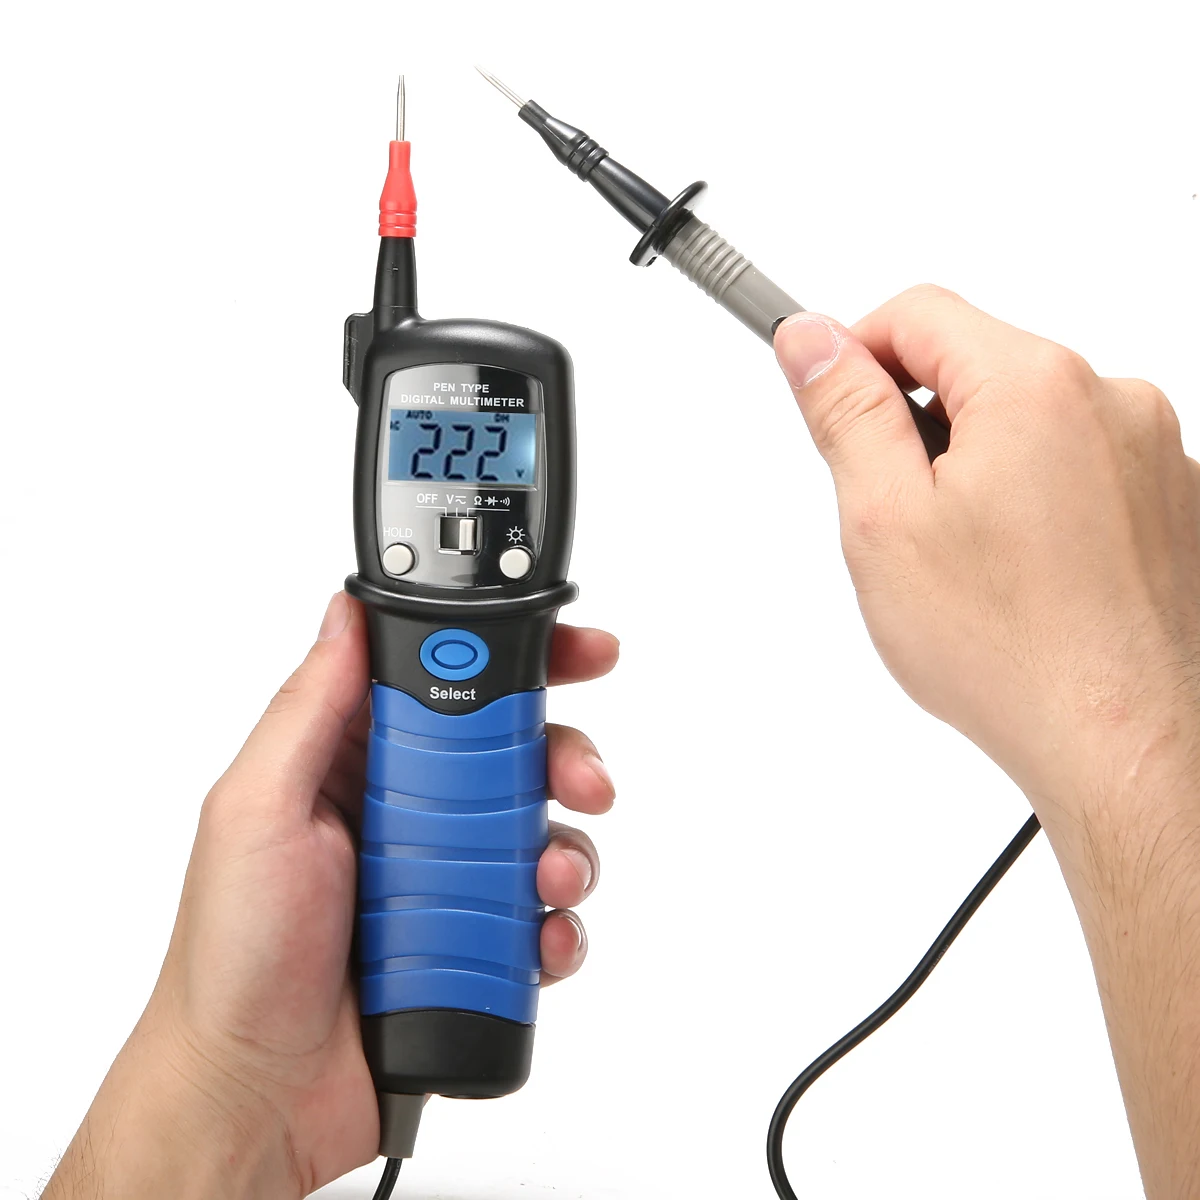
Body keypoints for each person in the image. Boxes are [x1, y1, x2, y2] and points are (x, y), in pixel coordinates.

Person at [43, 286, 1200, 1200]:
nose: (461, 487)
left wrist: (225, 1096)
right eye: (434, 454)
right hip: (427, 724)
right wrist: (1130, 718)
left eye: (481, 459)